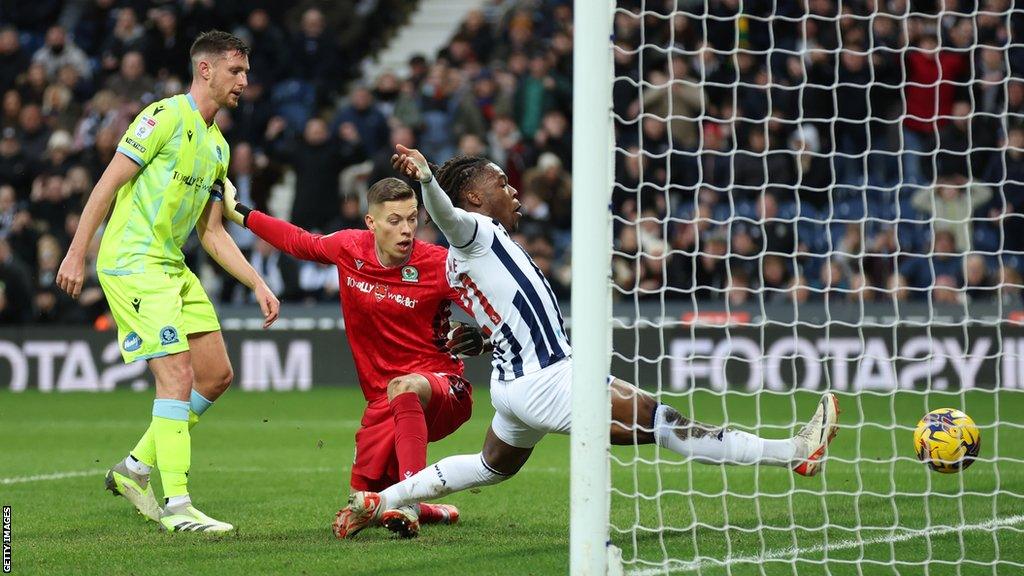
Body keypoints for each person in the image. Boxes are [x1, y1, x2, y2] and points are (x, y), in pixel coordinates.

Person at [332, 146, 841, 538]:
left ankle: (381, 500)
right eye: (503, 184)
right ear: (474, 199)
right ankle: (795, 451)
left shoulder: (483, 250)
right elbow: (446, 216)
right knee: (667, 423)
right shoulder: (474, 231)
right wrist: (425, 178)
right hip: (549, 379)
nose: (516, 193)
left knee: (490, 467)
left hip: (515, 386)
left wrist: (484, 339)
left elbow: (507, 314)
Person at [56, 31, 280, 533]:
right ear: (206, 70)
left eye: (246, 72)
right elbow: (107, 184)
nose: (245, 81)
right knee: (176, 375)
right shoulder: (162, 116)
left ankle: (134, 468)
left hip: (171, 266)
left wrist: (256, 283)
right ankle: (178, 509)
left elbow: (212, 232)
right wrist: (76, 253)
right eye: (235, 71)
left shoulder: (218, 146)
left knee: (216, 375)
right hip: (133, 261)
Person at [222, 176, 486, 537]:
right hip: (382, 403)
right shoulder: (349, 248)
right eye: (395, 221)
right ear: (371, 223)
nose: (407, 230)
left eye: (412, 219)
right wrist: (240, 213)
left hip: (443, 390)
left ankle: (409, 504)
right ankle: (433, 510)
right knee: (363, 504)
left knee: (405, 386)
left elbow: (496, 308)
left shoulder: (440, 264)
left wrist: (484, 339)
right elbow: (299, 241)